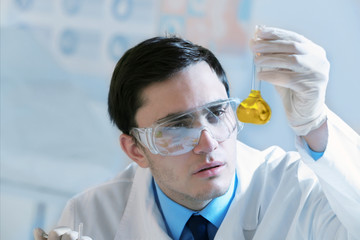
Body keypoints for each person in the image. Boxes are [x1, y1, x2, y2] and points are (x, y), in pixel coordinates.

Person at [34, 26, 360, 240]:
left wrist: (315, 125)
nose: (208, 143)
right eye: (176, 127)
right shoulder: (91, 216)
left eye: (217, 112)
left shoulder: (296, 189)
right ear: (135, 150)